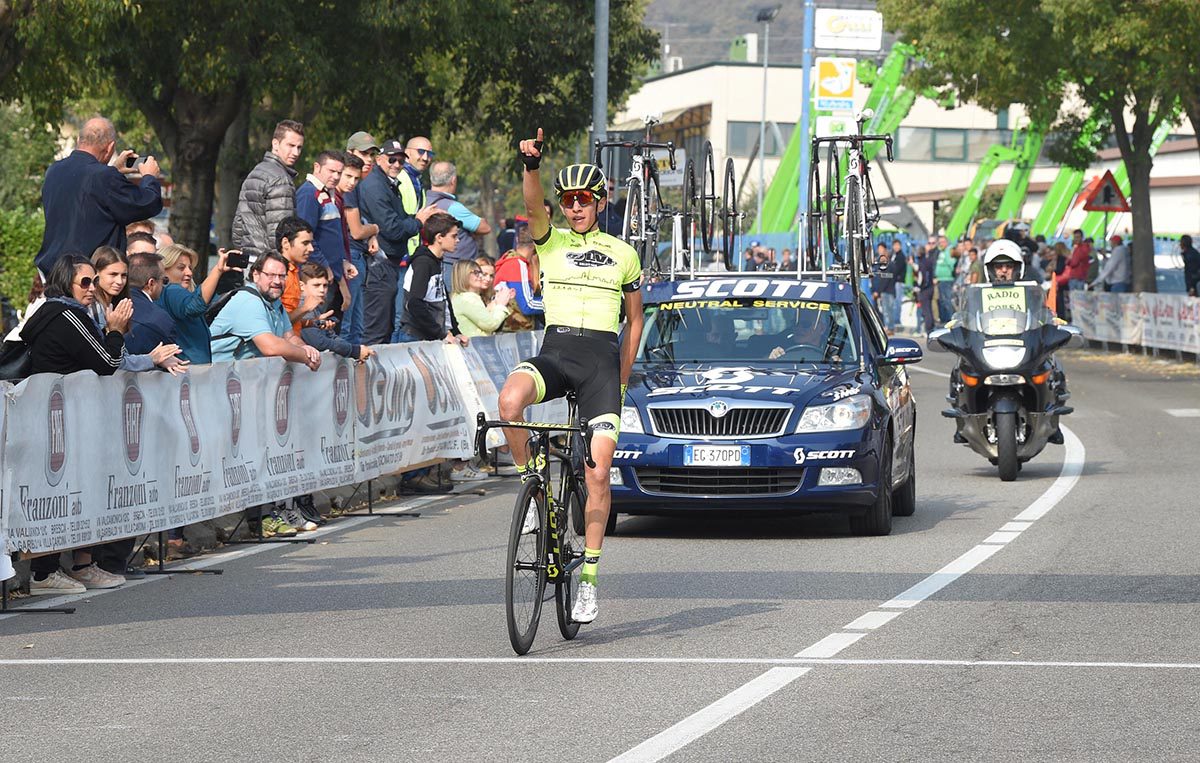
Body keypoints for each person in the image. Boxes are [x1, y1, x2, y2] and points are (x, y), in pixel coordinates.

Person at [500, 129, 644, 624]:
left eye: (584, 199)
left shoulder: (624, 252)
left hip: (601, 363)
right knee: (509, 403)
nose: (575, 207)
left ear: (600, 202)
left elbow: (636, 321)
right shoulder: (552, 239)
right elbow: (531, 202)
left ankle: (589, 581)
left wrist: (621, 381)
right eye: (568, 200)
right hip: (557, 352)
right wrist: (532, 165)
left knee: (598, 472)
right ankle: (533, 488)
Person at [20, 254, 131, 593]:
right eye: (85, 281)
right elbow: (107, 361)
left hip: (59, 415)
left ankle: (77, 566)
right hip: (59, 417)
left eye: (92, 281)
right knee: (55, 492)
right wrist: (114, 331)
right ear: (65, 282)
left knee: (72, 491)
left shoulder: (49, 311)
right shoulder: (68, 314)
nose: (91, 288)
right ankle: (45, 573)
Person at [35, 117, 163, 279]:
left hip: (53, 270)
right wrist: (149, 178)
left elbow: (86, 193)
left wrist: (114, 169)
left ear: (78, 140)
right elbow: (146, 203)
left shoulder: (54, 171)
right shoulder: (104, 177)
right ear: (110, 147)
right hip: (88, 276)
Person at [359, 139, 437, 345]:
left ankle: (379, 376)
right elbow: (393, 229)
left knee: (386, 327)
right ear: (379, 159)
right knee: (376, 330)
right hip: (379, 263)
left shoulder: (389, 183)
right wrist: (419, 221)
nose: (396, 164)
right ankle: (368, 377)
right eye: (391, 159)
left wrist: (416, 220)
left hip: (390, 262)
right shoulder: (375, 186)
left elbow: (400, 220)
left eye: (400, 161)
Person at [230, 119, 305, 286]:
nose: (295, 152)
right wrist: (284, 270)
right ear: (275, 144)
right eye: (290, 145)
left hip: (249, 261)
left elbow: (238, 227)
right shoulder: (280, 180)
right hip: (271, 268)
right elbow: (280, 235)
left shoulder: (255, 172)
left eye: (299, 147)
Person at [88, 247, 183, 374]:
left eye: (124, 275)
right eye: (113, 274)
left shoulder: (114, 306)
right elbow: (110, 360)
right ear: (96, 275)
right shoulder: (93, 309)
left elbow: (121, 356)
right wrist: (151, 359)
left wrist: (157, 359)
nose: (119, 281)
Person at [390, 136, 438, 342]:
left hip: (410, 257)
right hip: (400, 256)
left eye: (430, 154)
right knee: (399, 316)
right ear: (407, 153)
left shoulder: (416, 179)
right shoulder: (401, 177)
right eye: (421, 152)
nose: (426, 157)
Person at [158, 244, 241, 364]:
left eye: (190, 268)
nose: (189, 273)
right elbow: (194, 306)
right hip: (186, 371)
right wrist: (217, 270)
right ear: (163, 270)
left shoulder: (168, 294)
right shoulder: (171, 290)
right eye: (181, 268)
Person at [398, 212, 468, 346]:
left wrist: (455, 330)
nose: (457, 240)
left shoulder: (437, 261)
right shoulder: (423, 263)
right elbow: (414, 303)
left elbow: (443, 300)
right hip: (415, 337)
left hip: (431, 337)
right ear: (439, 237)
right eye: (454, 236)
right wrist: (440, 333)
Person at [295, 150, 350, 301]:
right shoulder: (308, 194)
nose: (336, 177)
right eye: (331, 171)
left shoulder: (327, 193)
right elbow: (305, 237)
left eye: (339, 172)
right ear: (317, 167)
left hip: (332, 275)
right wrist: (324, 267)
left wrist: (342, 262)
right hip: (316, 276)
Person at [337, 148, 378, 346]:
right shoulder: (344, 195)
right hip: (348, 258)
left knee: (356, 325)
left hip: (352, 257)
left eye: (356, 177)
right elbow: (356, 232)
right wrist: (375, 229)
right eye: (347, 176)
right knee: (348, 324)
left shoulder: (352, 191)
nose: (352, 181)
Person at [427, 161, 493, 284]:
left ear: (431, 179)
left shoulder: (425, 202)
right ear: (453, 180)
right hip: (454, 267)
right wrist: (470, 231)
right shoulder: (452, 207)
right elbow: (485, 227)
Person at [451, 260, 513, 337]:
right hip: (471, 346)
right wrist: (501, 305)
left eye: (480, 273)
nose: (481, 276)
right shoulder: (467, 298)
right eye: (476, 273)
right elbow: (490, 324)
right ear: (464, 275)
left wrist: (496, 302)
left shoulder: (461, 297)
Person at [914, 246, 936, 334]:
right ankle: (931, 327)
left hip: (925, 290)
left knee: (926, 310)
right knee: (929, 309)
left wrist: (919, 287)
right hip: (931, 288)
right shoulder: (928, 261)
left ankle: (929, 330)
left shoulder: (922, 263)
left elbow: (922, 277)